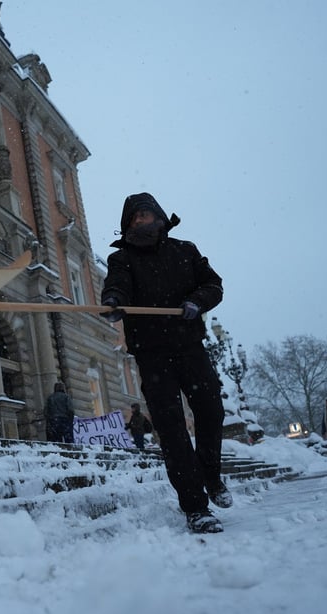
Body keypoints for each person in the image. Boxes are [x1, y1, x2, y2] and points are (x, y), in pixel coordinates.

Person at [100, 192, 232, 534]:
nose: (142, 222)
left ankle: (212, 476)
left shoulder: (184, 251)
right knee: (171, 429)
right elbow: (117, 287)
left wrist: (196, 302)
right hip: (151, 352)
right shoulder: (123, 259)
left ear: (159, 217)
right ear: (128, 225)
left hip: (189, 346)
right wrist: (114, 301)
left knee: (211, 411)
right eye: (135, 218)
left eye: (147, 215)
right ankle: (195, 507)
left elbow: (213, 285)